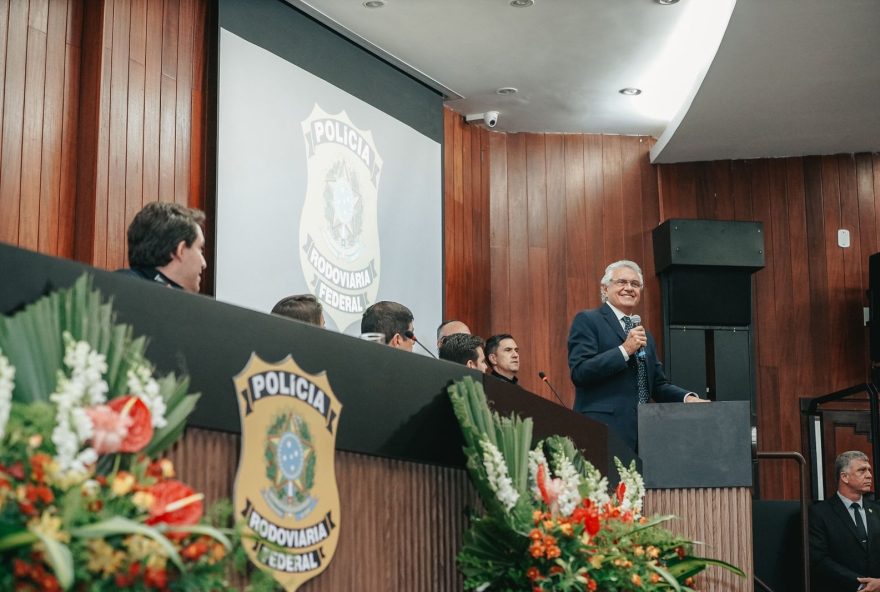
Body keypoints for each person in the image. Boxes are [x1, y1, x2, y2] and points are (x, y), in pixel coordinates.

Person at [567, 260, 704, 450]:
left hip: (643, 433)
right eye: (622, 282)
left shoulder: (644, 335)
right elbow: (580, 372)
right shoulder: (588, 320)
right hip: (600, 429)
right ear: (605, 288)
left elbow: (657, 385)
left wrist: (687, 398)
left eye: (635, 284)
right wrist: (625, 350)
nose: (629, 288)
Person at [810, 450, 880, 591]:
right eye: (862, 470)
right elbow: (819, 559)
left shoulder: (877, 510)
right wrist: (860, 584)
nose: (869, 475)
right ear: (844, 477)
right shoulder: (819, 513)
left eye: (869, 470)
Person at [118, 201, 207, 293]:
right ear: (181, 250)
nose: (204, 264)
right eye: (200, 249)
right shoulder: (122, 286)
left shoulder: (111, 289)